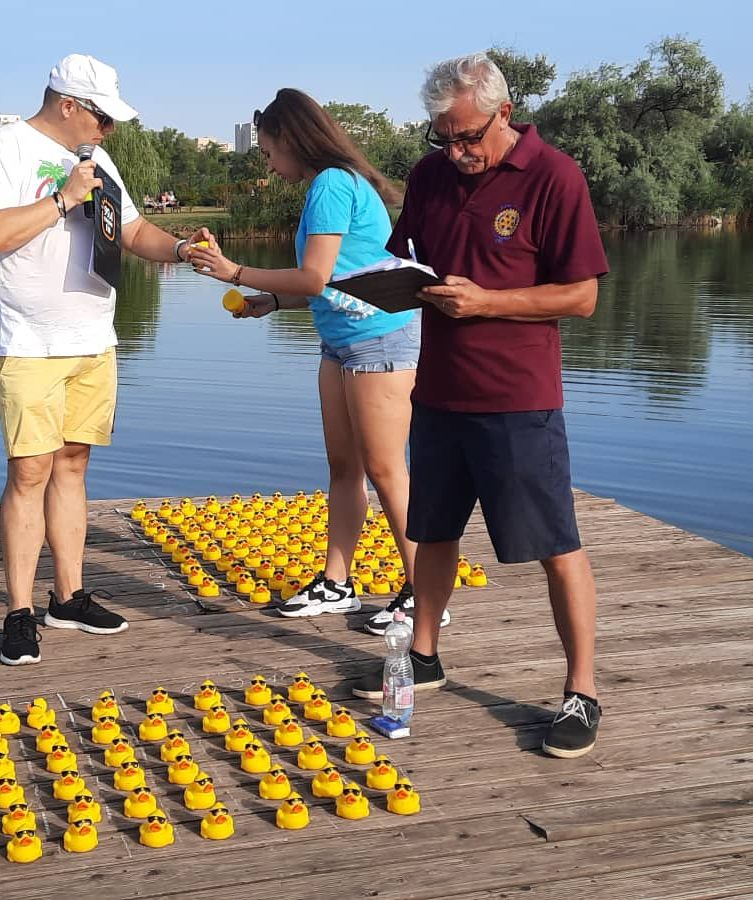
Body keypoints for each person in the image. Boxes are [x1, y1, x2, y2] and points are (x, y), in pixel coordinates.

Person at [353, 53, 611, 759]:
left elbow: (582, 296)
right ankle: (427, 657)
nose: (458, 152)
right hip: (437, 391)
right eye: (446, 137)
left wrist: (488, 302)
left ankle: (581, 691)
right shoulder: (430, 175)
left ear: (503, 112)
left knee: (557, 546)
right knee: (433, 533)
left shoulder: (554, 175)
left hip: (518, 400)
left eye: (469, 135)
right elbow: (402, 259)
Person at [0, 53, 203, 666]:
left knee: (73, 466)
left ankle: (66, 598)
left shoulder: (100, 160)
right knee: (29, 473)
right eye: (103, 118)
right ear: (68, 105)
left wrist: (180, 249)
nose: (109, 130)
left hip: (94, 338)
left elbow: (132, 231)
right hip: (28, 343)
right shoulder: (1, 147)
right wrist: (63, 200)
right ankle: (18, 612)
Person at [185, 88, 424, 625]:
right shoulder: (330, 184)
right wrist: (271, 300)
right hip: (341, 341)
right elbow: (333, 283)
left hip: (379, 339)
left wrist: (235, 272)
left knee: (387, 471)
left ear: (291, 140)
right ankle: (338, 583)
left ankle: (423, 593)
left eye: (269, 151)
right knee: (345, 469)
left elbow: (315, 275)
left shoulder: (333, 184)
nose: (268, 164)